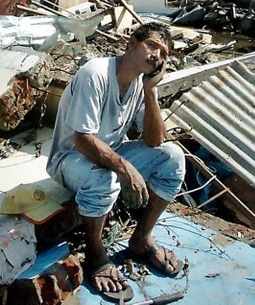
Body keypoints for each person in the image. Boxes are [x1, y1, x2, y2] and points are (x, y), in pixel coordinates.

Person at [47, 22, 186, 299]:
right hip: (70, 159)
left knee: (174, 157)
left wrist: (150, 91)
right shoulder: (95, 73)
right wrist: (125, 169)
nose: (157, 56)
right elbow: (83, 140)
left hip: (112, 151)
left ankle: (141, 239)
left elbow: (155, 141)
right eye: (152, 46)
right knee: (104, 177)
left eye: (163, 54)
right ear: (132, 43)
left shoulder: (139, 84)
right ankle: (96, 255)